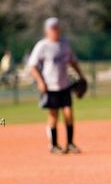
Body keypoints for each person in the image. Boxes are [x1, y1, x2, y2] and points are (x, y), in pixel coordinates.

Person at [28, 17, 86, 154]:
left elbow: (73, 61)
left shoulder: (64, 44)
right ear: (47, 30)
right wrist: (41, 82)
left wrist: (81, 76)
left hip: (64, 85)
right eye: (52, 28)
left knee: (68, 113)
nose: (55, 30)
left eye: (56, 27)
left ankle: (70, 143)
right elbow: (32, 66)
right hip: (50, 86)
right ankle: (54, 145)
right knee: (53, 115)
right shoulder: (43, 45)